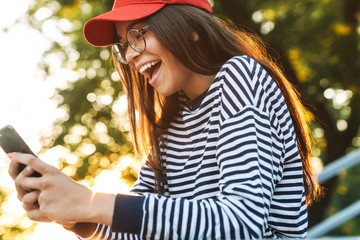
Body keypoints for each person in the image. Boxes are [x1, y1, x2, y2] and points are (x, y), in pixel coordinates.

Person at [8, 0, 322, 239]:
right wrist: (70, 213)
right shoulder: (171, 124)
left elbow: (240, 223)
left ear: (192, 27)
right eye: (122, 46)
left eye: (138, 34)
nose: (129, 55)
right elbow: (137, 228)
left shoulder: (240, 77)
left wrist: (90, 202)